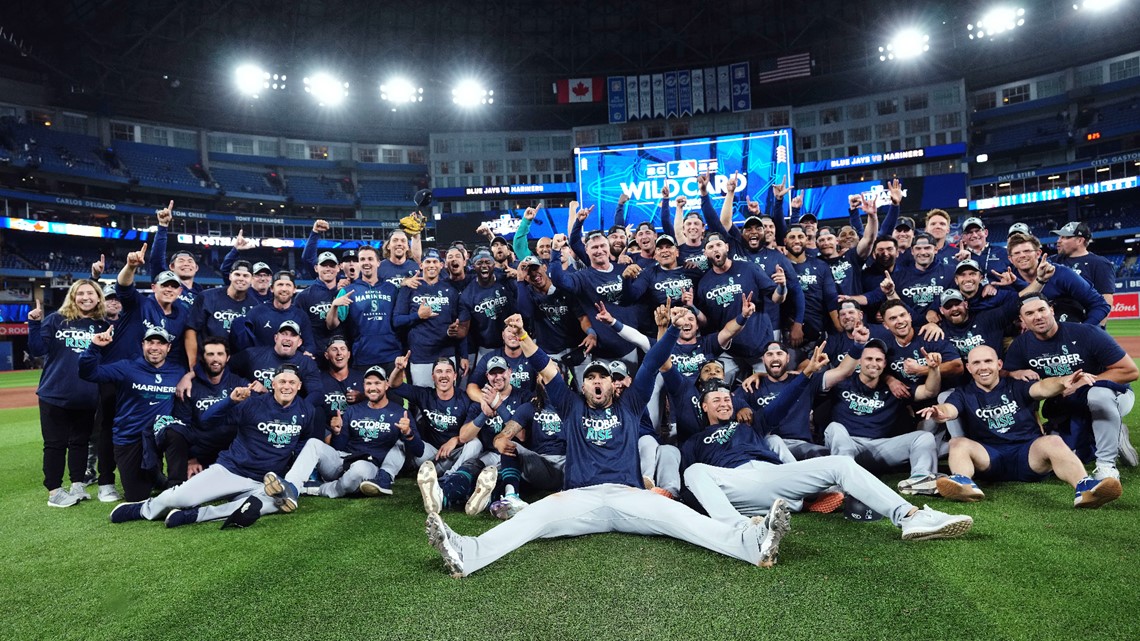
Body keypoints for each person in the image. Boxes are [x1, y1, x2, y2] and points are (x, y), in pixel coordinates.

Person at [423, 311, 795, 578]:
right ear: (582, 385)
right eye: (592, 378)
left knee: (685, 520)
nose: (598, 382)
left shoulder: (630, 405)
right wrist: (522, 336)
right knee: (531, 518)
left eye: (604, 378)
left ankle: (751, 543)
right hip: (580, 498)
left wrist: (670, 332)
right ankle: (466, 553)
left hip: (627, 495)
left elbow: (651, 364)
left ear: (614, 385)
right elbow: (546, 367)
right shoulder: (568, 405)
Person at [683, 345, 974, 540]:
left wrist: (806, 374)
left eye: (726, 398)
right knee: (693, 471)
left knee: (841, 463)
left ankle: (910, 517)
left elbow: (782, 404)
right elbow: (693, 487)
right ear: (704, 407)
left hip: (771, 477)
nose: (723, 403)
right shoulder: (695, 440)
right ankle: (735, 533)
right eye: (716, 400)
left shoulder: (751, 423)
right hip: (733, 483)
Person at [107, 364, 317, 527]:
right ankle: (144, 509)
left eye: (292, 382)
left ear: (299, 386)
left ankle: (196, 516)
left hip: (264, 481)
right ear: (273, 383)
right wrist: (230, 401)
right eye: (282, 382)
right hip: (232, 470)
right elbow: (206, 420)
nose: (286, 386)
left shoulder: (307, 411)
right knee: (181, 496)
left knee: (277, 503)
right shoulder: (253, 402)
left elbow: (300, 444)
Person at [919, 345, 1122, 509]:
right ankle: (963, 483)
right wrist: (940, 412)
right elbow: (950, 408)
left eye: (988, 361)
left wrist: (1062, 381)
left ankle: (1085, 488)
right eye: (976, 363)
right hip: (989, 458)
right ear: (969, 368)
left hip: (1027, 455)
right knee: (958, 443)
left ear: (999, 364)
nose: (983, 367)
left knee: (1052, 441)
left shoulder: (1015, 385)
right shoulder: (963, 393)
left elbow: (1042, 387)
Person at [1002, 294, 1139, 476]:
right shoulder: (1021, 345)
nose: (1038, 316)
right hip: (1067, 405)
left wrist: (1084, 382)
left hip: (1113, 396)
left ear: (1051, 310)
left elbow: (1130, 371)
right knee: (1068, 455)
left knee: (1098, 395)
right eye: (1030, 313)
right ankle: (1110, 431)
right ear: (1022, 319)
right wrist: (1014, 373)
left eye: (1042, 310)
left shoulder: (1087, 333)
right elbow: (1007, 381)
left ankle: (1106, 466)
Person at [821, 338, 943, 495]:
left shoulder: (895, 389)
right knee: (835, 428)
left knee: (924, 437)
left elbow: (929, 391)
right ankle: (842, 482)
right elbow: (818, 384)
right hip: (846, 444)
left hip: (877, 448)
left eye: (878, 360)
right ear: (859, 362)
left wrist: (933, 369)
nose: (874, 363)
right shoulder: (842, 383)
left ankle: (920, 480)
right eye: (869, 359)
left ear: (884, 365)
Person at [78, 326, 185, 502]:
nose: (155, 347)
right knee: (137, 496)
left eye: (160, 343)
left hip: (157, 436)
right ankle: (156, 477)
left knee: (177, 433)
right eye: (150, 342)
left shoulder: (178, 371)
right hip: (130, 437)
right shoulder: (126, 367)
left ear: (168, 348)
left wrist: (189, 376)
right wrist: (94, 347)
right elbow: (88, 373)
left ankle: (175, 486)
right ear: (143, 344)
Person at [27, 281, 110, 507]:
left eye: (90, 293)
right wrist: (34, 324)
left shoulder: (103, 324)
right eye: (80, 293)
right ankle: (54, 492)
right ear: (72, 297)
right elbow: (37, 350)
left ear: (98, 297)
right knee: (55, 444)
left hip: (87, 396)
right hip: (55, 393)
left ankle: (77, 485)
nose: (85, 297)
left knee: (80, 442)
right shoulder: (56, 319)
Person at [288, 365, 424, 498]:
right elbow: (338, 447)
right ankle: (291, 487)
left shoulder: (400, 413)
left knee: (359, 469)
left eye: (377, 383)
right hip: (342, 460)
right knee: (313, 444)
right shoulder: (353, 410)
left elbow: (419, 451)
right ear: (364, 386)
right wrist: (336, 433)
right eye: (368, 383)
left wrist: (408, 433)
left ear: (386, 385)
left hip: (369, 465)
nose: (373, 388)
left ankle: (321, 488)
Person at [165, 336, 248, 486]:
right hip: (200, 451)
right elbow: (182, 425)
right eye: (210, 354)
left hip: (230, 450)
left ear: (228, 357)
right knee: (174, 432)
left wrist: (262, 391)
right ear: (202, 357)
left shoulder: (239, 383)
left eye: (220, 354)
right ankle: (175, 484)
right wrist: (190, 459)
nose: (215, 359)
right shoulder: (189, 387)